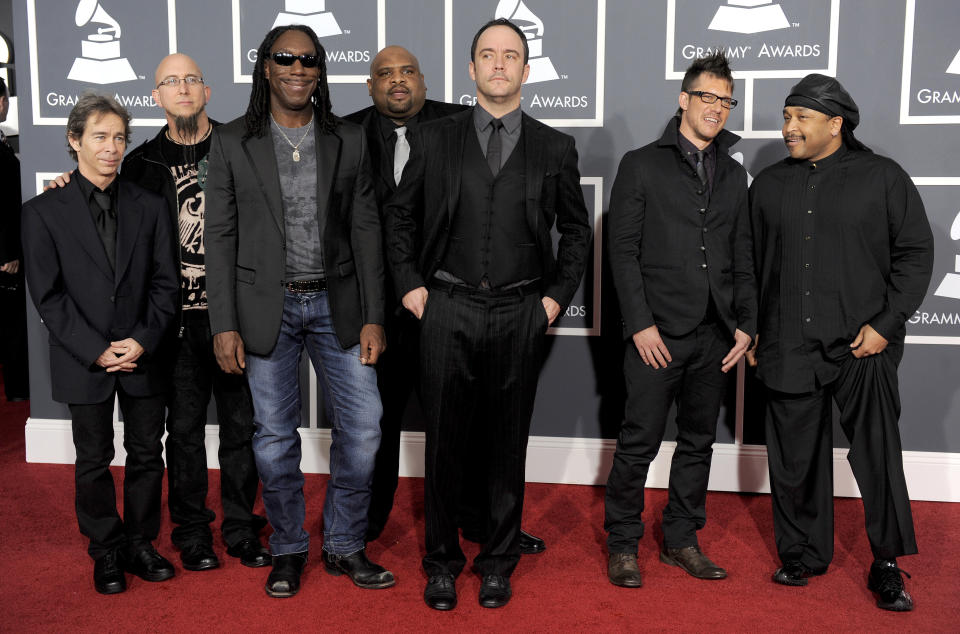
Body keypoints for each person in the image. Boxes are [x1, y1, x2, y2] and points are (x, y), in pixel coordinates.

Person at [385, 19, 590, 610]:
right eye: (487, 55)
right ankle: (442, 562)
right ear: (471, 69)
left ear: (526, 71)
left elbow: (576, 230)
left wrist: (553, 297)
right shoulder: (434, 139)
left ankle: (498, 560)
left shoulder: (555, 147)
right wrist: (410, 286)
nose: (499, 64)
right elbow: (399, 216)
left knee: (507, 444)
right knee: (444, 443)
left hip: (521, 309)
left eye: (511, 56)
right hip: (444, 307)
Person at [49, 54, 270, 572]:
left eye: (192, 79)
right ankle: (192, 533)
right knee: (185, 432)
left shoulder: (242, 148)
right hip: (171, 322)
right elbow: (95, 190)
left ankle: (240, 528)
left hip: (232, 314)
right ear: (156, 97)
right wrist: (64, 184)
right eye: (171, 81)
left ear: (208, 90)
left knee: (242, 428)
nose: (183, 88)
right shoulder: (140, 163)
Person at [204, 25, 391, 598]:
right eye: (284, 58)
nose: (297, 68)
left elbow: (366, 228)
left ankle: (343, 543)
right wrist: (224, 323)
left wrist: (374, 314)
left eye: (308, 60)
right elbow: (220, 235)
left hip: (338, 304)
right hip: (267, 308)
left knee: (363, 432)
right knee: (274, 438)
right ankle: (288, 547)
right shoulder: (233, 140)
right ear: (265, 67)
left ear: (320, 70)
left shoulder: (348, 139)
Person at [343, 45, 545, 555]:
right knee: (376, 423)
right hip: (376, 309)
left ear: (425, 80)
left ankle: (483, 521)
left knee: (476, 422)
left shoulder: (462, 127)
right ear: (369, 86)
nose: (397, 81)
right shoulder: (344, 134)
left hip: (452, 306)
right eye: (384, 74)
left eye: (407, 71)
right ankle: (365, 524)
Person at [747, 73, 934, 611]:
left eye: (800, 117)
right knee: (794, 460)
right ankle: (802, 554)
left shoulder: (883, 178)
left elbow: (916, 253)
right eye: (786, 116)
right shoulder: (769, 185)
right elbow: (751, 264)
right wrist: (753, 325)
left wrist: (886, 324)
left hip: (863, 344)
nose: (788, 128)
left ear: (836, 124)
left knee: (878, 458)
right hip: (787, 343)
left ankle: (888, 565)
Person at [604, 51, 755, 588]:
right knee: (638, 441)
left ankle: (682, 540)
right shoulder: (641, 164)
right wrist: (640, 324)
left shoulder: (736, 176)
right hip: (656, 333)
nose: (717, 108)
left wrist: (746, 323)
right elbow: (621, 252)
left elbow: (743, 256)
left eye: (725, 100)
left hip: (715, 334)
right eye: (707, 97)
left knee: (698, 441)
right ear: (684, 99)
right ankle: (622, 544)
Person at [21, 94, 179, 594]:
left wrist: (142, 339)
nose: (111, 148)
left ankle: (140, 542)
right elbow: (48, 296)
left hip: (143, 353)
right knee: (92, 458)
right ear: (74, 141)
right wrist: (97, 349)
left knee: (147, 453)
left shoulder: (150, 205)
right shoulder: (42, 211)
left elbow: (166, 282)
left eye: (119, 138)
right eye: (99, 137)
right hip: (81, 358)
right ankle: (105, 548)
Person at [0, 77, 29, 402]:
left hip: (10, 244)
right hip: (5, 252)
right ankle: (18, 389)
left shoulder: (3, 139)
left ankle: (18, 387)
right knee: (10, 325)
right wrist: (6, 251)